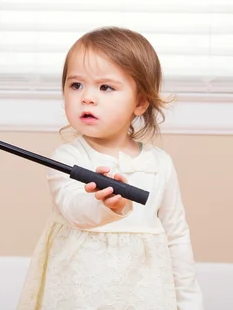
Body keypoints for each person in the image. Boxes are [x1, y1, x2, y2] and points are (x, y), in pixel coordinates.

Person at [17, 26, 204, 309]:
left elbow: (176, 237)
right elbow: (74, 209)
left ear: (140, 102)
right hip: (78, 292)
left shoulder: (159, 164)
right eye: (76, 85)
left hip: (143, 292)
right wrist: (104, 206)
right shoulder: (67, 158)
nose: (87, 97)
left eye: (105, 87)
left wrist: (189, 303)